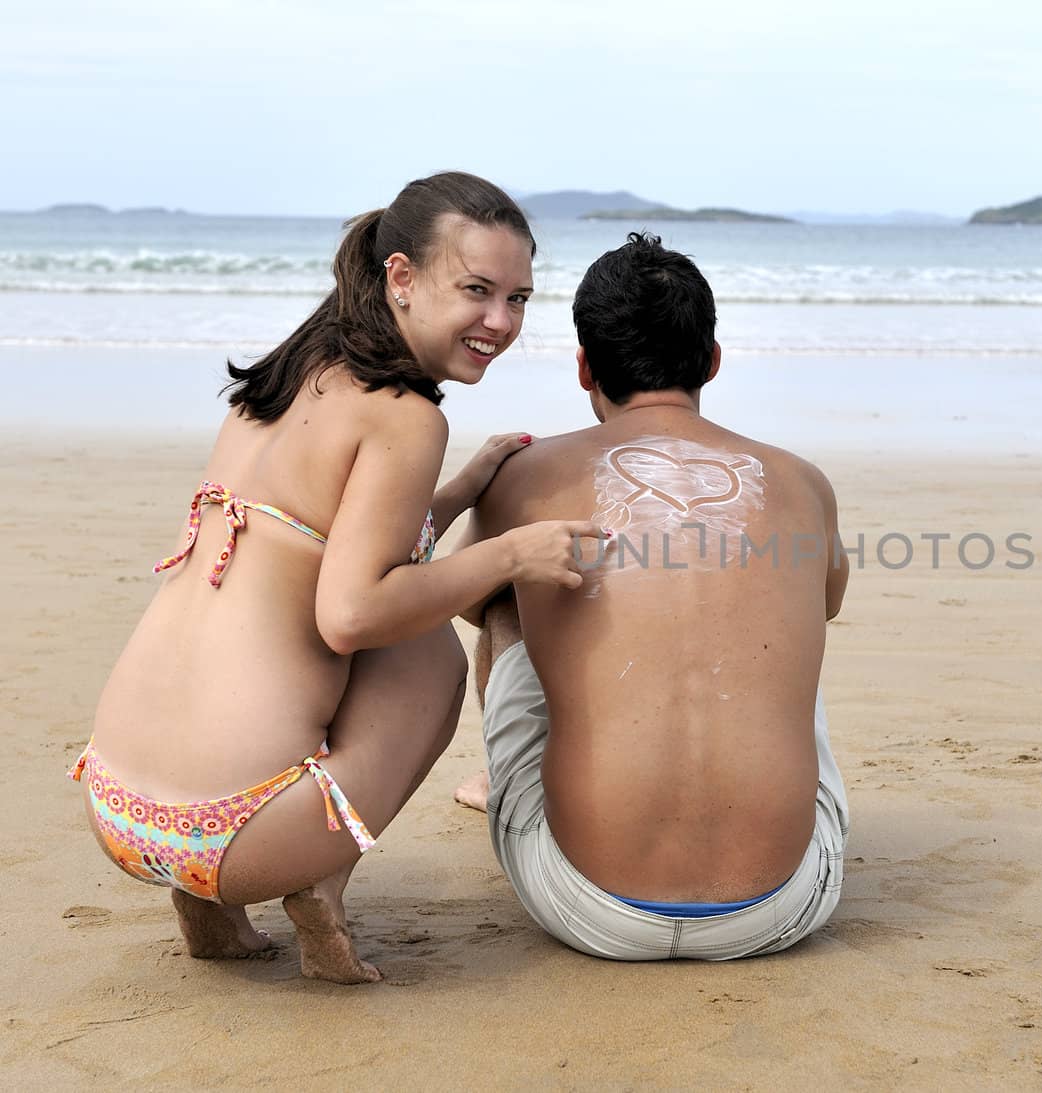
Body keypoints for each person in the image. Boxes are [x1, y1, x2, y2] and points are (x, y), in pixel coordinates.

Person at [75, 172, 605, 984]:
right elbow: (352, 611)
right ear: (400, 276)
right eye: (476, 290)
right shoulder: (405, 414)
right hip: (236, 833)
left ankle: (209, 909)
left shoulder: (290, 376)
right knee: (428, 654)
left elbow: (334, 539)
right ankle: (315, 875)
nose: (500, 321)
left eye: (519, 299)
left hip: (115, 805)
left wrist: (463, 487)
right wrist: (509, 552)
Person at [455, 232, 849, 960]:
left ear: (584, 368)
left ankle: (513, 779)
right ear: (712, 361)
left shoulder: (525, 474)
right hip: (784, 904)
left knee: (508, 596)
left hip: (589, 905)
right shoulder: (800, 480)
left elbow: (469, 602)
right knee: (783, 622)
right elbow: (826, 604)